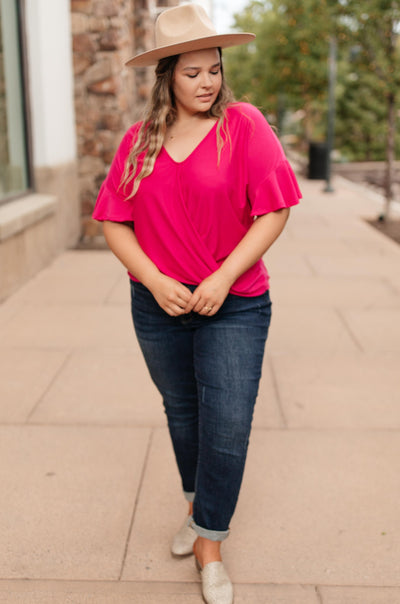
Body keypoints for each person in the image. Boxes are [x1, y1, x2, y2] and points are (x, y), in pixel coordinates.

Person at [92, 4, 301, 603]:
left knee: (228, 426)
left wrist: (222, 278)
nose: (207, 82)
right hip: (156, 307)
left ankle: (209, 542)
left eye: (213, 69)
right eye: (192, 73)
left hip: (234, 305)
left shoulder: (244, 125)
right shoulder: (139, 140)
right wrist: (156, 281)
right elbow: (114, 222)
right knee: (184, 415)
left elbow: (274, 210)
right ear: (166, 77)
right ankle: (196, 505)